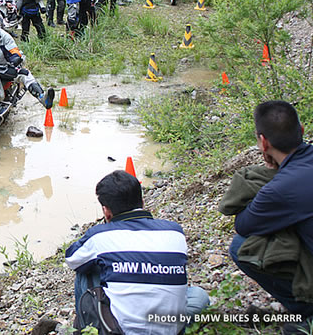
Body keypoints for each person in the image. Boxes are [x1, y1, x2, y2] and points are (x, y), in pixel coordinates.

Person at [66, 170, 209, 334]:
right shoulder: (175, 231)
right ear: (142, 201)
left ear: (106, 211)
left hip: (121, 330)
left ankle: (84, 328)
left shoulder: (100, 236)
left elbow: (72, 259)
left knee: (85, 271)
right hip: (171, 327)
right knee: (199, 295)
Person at [226, 101, 313, 328]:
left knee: (240, 246)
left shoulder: (280, 189)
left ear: (263, 142)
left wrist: (272, 175)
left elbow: (243, 226)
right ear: (301, 130)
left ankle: (306, 311)